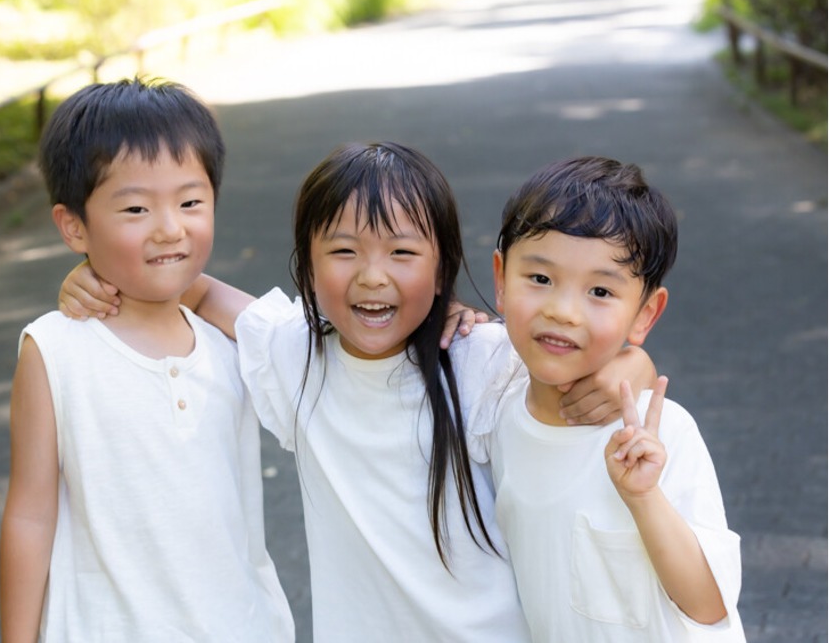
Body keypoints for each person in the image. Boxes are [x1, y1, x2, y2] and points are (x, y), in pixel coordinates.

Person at [61, 142, 658, 642]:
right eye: (344, 251)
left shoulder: (480, 360)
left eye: (402, 253)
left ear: (441, 268)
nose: (373, 276)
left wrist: (632, 362)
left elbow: (569, 360)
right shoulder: (295, 354)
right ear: (308, 264)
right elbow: (196, 290)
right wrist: (100, 272)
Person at [0, 78, 294, 643]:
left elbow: (323, 343)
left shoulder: (232, 344)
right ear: (74, 226)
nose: (170, 228)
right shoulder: (54, 350)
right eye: (136, 208)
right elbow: (30, 515)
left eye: (191, 202)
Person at [471, 156, 744, 641]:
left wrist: (643, 497)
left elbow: (709, 604)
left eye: (599, 291)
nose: (563, 311)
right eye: (540, 279)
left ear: (645, 315)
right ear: (501, 279)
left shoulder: (659, 435)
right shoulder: (497, 413)